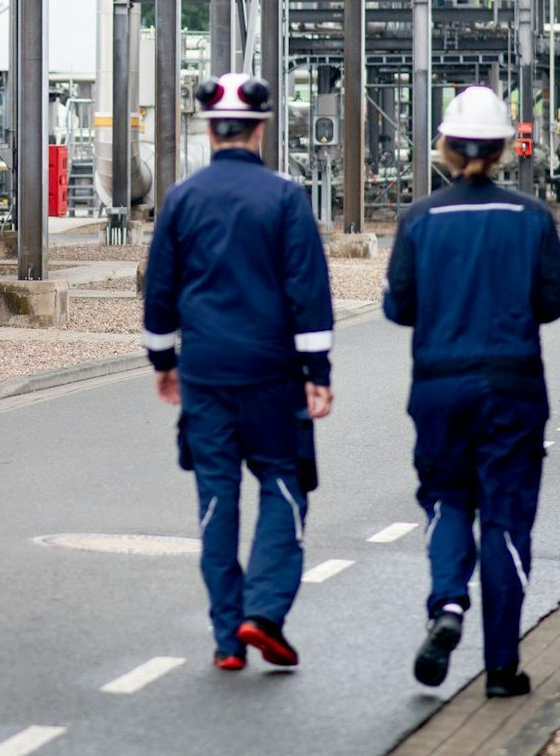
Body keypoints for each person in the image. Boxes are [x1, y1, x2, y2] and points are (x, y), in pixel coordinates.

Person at [383, 85, 560, 698]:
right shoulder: (531, 218)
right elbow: (556, 300)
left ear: (444, 146)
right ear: (501, 150)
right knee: (505, 518)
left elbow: (398, 306)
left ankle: (446, 607)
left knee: (445, 502)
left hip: (439, 386)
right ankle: (501, 668)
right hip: (512, 386)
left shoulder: (419, 220)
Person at [142, 72, 334, 673]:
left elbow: (160, 289)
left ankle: (228, 638)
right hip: (274, 375)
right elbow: (308, 289)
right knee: (283, 484)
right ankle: (264, 612)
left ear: (209, 127)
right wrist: (317, 371)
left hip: (205, 374)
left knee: (216, 500)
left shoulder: (182, 198)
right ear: (259, 129)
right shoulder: (285, 197)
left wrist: (163, 362)